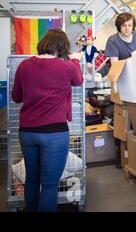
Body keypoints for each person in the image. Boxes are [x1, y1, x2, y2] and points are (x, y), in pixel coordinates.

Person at [11, 29, 83, 212]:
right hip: (54, 134)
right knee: (49, 185)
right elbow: (79, 80)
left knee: (32, 179)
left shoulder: (24, 66)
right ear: (62, 47)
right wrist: (75, 59)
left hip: (27, 132)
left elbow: (17, 97)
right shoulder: (66, 66)